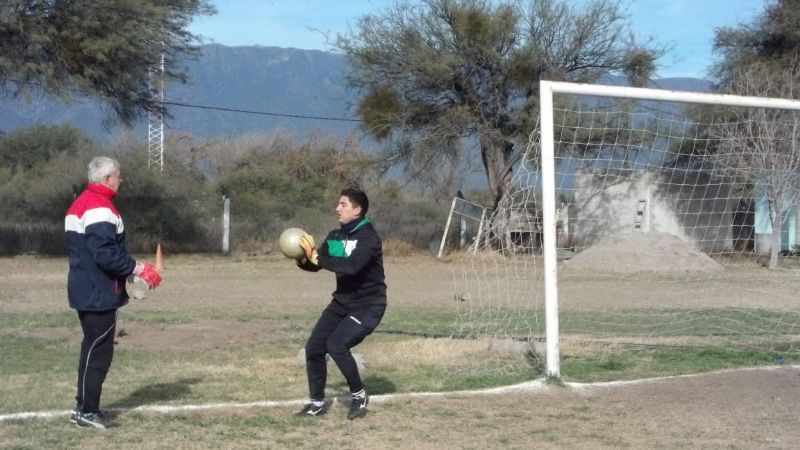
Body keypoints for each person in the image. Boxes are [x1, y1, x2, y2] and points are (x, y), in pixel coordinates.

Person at [65, 156, 162, 428]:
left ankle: (84, 407)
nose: (121, 179)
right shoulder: (99, 208)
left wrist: (129, 271)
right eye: (119, 175)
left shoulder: (83, 202)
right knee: (98, 352)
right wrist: (140, 269)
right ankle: (86, 410)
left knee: (93, 349)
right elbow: (105, 255)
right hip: (97, 293)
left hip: (88, 288)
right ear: (108, 178)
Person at [296, 186, 387, 420]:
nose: (337, 208)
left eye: (343, 204)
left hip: (369, 305)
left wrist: (318, 257)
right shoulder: (336, 236)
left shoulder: (368, 238)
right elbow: (317, 264)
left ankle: (359, 395)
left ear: (357, 209)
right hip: (342, 303)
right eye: (338, 204)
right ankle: (316, 403)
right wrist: (302, 257)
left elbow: (351, 267)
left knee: (336, 345)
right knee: (315, 347)